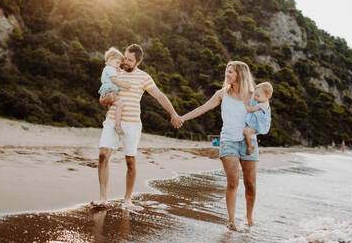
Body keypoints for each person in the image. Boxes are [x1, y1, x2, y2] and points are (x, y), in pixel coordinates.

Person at [91, 44, 183, 210]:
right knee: (103, 155)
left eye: (130, 60)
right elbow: (102, 99)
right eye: (125, 57)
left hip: (132, 124)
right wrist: (105, 100)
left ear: (138, 62)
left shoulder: (144, 77)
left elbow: (160, 96)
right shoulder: (114, 72)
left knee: (130, 161)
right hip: (112, 119)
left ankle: (127, 200)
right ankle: (103, 197)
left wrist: (174, 114)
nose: (125, 61)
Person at [178, 61, 258, 231]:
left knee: (250, 184)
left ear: (240, 75)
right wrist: (183, 117)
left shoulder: (253, 96)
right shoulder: (222, 94)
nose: (226, 75)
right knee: (233, 182)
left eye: (230, 72)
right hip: (228, 142)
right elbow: (203, 108)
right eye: (226, 72)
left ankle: (250, 218)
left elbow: (264, 118)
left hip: (249, 143)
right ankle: (231, 221)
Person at [98, 47, 131, 135]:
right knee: (121, 104)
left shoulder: (109, 68)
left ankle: (109, 115)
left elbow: (114, 74)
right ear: (110, 60)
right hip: (110, 91)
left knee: (113, 106)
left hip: (107, 91)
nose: (118, 65)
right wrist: (124, 85)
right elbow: (114, 80)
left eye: (119, 64)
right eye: (117, 63)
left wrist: (117, 69)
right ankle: (117, 125)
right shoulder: (110, 69)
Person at [243, 82, 273, 156]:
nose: (255, 97)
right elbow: (261, 89)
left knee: (246, 131)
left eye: (258, 96)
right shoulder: (264, 100)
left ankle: (250, 145)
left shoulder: (261, 105)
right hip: (258, 124)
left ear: (267, 96)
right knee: (247, 131)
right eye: (255, 95)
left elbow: (250, 110)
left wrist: (245, 103)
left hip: (258, 125)